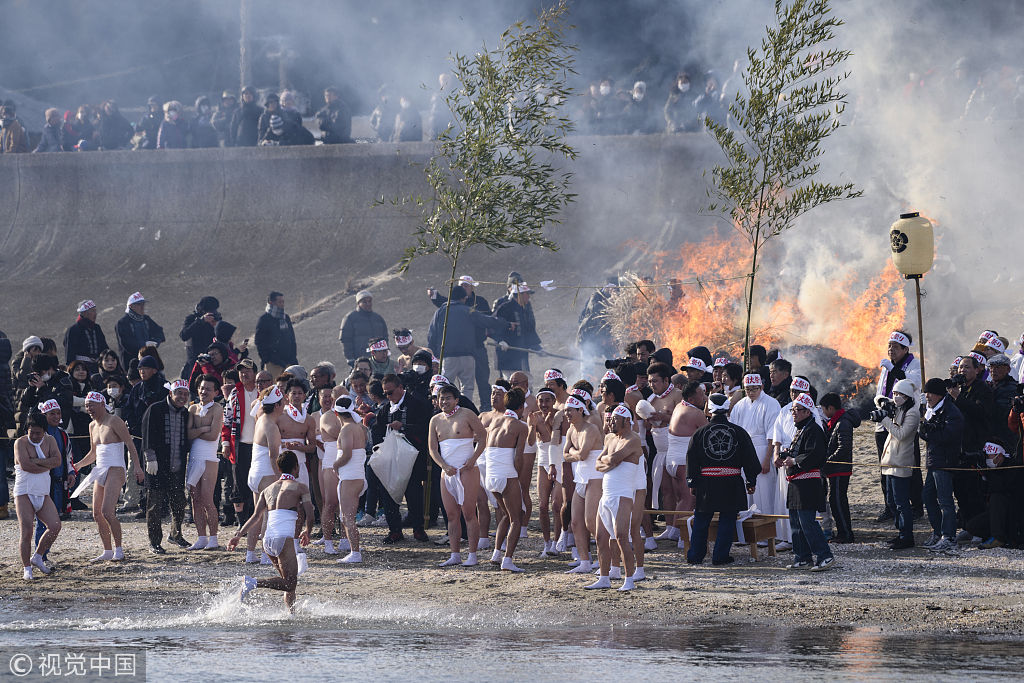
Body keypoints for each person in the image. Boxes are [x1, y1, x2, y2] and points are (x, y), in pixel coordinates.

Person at [230, 450, 313, 610]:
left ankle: (292, 615)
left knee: (286, 580)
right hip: (283, 539)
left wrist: (238, 535)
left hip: (267, 540)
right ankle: (252, 582)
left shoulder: (267, 490)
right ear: (296, 468)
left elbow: (255, 517)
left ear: (279, 469)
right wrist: (307, 532)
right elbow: (310, 515)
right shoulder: (300, 488)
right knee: (290, 583)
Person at [685, 393, 761, 566]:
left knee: (702, 519)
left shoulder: (699, 433)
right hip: (731, 481)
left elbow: (691, 459)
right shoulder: (739, 432)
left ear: (709, 410)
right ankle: (720, 556)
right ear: (728, 409)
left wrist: (692, 482)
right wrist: (751, 481)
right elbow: (750, 459)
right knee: (727, 519)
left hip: (706, 482)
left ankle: (695, 556)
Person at [71, 392, 144, 561]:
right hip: (100, 468)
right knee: (97, 513)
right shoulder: (92, 426)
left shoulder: (114, 421)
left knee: (107, 511)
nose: (89, 408)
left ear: (102, 404)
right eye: (87, 405)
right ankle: (107, 550)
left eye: (92, 405)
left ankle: (119, 548)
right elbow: (93, 452)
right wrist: (78, 465)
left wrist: (138, 467)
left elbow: (130, 444)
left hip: (116, 467)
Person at [428, 384, 488, 567]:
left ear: (456, 399)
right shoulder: (435, 420)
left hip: (467, 469)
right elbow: (432, 448)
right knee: (451, 514)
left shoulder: (467, 414)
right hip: (447, 471)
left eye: (447, 398)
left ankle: (472, 554)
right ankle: (455, 554)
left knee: (469, 513)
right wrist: (444, 466)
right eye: (441, 398)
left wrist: (473, 459)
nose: (444, 401)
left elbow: (483, 437)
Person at [369, 374, 432, 544]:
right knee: (389, 493)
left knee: (414, 494)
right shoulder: (384, 410)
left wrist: (404, 427)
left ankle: (418, 529)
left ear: (400, 388)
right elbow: (377, 430)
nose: (388, 397)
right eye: (385, 394)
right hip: (391, 459)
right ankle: (395, 530)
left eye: (390, 393)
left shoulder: (416, 404)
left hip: (412, 459)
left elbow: (426, 428)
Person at [775, 393, 834, 571]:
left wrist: (795, 460)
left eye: (798, 410)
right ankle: (802, 557)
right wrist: (787, 455)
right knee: (795, 521)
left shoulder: (814, 429)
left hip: (807, 482)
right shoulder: (801, 429)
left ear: (808, 412)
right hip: (796, 482)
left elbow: (816, 454)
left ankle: (825, 555)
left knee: (807, 521)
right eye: (793, 409)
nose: (794, 413)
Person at [589, 404, 642, 591]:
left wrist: (609, 461)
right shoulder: (610, 438)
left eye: (615, 419)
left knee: (621, 537)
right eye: (610, 419)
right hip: (607, 494)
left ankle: (629, 579)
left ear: (627, 421)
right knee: (601, 537)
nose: (611, 422)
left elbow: (612, 459)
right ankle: (604, 578)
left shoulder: (633, 439)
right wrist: (610, 462)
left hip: (622, 494)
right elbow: (598, 463)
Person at [427, 285, 507, 404]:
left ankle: (444, 409)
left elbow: (431, 335)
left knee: (444, 386)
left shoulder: (441, 311)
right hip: (468, 357)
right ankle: (465, 410)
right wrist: (505, 323)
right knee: (467, 387)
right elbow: (485, 320)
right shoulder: (468, 310)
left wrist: (435, 355)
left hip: (448, 357)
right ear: (463, 298)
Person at [874, 330, 922, 521]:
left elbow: (911, 383)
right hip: (885, 423)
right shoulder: (886, 368)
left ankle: (916, 505)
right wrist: (881, 403)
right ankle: (889, 505)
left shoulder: (914, 364)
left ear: (905, 349)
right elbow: (879, 392)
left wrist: (893, 370)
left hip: (906, 423)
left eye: (895, 347)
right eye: (889, 346)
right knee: (885, 466)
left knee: (911, 465)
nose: (890, 350)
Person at [141, 379, 192, 553]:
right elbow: (147, 434)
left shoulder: (186, 414)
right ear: (171, 393)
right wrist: (150, 458)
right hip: (156, 466)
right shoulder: (155, 409)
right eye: (179, 393)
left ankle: (176, 534)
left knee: (179, 503)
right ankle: (154, 541)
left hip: (177, 467)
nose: (182, 397)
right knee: (154, 506)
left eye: (185, 394)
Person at [481, 387, 528, 572]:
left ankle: (496, 554)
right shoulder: (520, 426)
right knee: (517, 518)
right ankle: (507, 560)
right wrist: (515, 476)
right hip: (506, 473)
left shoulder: (493, 422)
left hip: (490, 475)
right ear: (521, 407)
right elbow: (519, 457)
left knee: (506, 514)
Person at [13, 411, 64, 580]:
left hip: (42, 490)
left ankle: (38, 556)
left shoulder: (50, 440)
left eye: (38, 433)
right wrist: (45, 464)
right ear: (26, 430)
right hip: (24, 491)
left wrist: (37, 461)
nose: (34, 436)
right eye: (31, 432)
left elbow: (57, 461)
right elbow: (26, 466)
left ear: (44, 431)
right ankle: (26, 567)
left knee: (55, 525)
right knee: (27, 530)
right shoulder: (20, 443)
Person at [873, 379, 920, 550]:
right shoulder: (897, 407)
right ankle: (900, 531)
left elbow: (901, 434)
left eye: (900, 394)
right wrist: (884, 402)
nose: (896, 397)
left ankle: (906, 536)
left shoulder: (912, 413)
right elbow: (877, 399)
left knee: (901, 502)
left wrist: (884, 419)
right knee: (892, 501)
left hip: (901, 461)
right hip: (890, 460)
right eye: (894, 393)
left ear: (908, 396)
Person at [918, 377, 965, 552]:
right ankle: (937, 531)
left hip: (945, 461)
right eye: (926, 392)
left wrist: (928, 433)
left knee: (945, 501)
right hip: (934, 460)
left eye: (930, 392)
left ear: (938, 394)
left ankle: (949, 536)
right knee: (928, 496)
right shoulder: (932, 410)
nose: (927, 396)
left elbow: (948, 436)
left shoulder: (951, 412)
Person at [948, 353, 992, 534]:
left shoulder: (983, 388)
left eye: (967, 367)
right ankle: (966, 524)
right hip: (958, 445)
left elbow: (980, 412)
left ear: (977, 369)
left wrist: (959, 398)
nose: (963, 370)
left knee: (974, 490)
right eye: (960, 367)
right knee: (960, 489)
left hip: (975, 445)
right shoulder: (958, 389)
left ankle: (979, 529)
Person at [563, 395, 603, 574]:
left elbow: (584, 455)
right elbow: (565, 454)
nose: (567, 414)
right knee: (576, 522)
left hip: (595, 477)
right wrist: (574, 452)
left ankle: (606, 560)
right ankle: (585, 561)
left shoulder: (591, 429)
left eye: (570, 410)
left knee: (592, 523)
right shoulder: (571, 430)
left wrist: (573, 452)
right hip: (580, 477)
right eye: (565, 410)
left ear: (580, 410)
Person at [730, 373, 781, 514]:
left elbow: (772, 434)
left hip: (763, 450)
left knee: (764, 490)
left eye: (754, 389)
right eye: (748, 389)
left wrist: (766, 459)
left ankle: (767, 529)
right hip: (743, 452)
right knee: (746, 491)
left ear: (762, 387)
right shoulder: (740, 405)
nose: (751, 392)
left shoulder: (771, 403)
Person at [186, 375, 224, 550]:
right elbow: (189, 434)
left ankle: (214, 537)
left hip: (209, 457)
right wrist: (203, 428)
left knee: (208, 498)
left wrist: (197, 430)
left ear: (216, 392)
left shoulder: (217, 408)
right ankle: (201, 537)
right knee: (195, 499)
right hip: (194, 456)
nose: (204, 391)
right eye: (202, 388)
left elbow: (213, 435)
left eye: (208, 389)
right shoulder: (193, 408)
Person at [666, 380, 707, 533]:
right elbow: (709, 432)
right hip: (683, 461)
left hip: (672, 460)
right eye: (701, 394)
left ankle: (675, 532)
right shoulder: (695, 413)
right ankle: (681, 535)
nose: (704, 397)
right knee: (689, 499)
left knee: (681, 499)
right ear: (691, 399)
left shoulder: (679, 406)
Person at [820, 392, 860, 544]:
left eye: (824, 409)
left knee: (838, 500)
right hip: (836, 468)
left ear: (831, 408)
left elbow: (843, 448)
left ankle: (846, 534)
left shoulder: (843, 423)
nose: (823, 412)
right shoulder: (837, 421)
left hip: (840, 468)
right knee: (836, 500)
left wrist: (828, 461)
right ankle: (843, 532)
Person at [646, 362, 681, 532]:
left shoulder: (677, 395)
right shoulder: (650, 400)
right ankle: (669, 528)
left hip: (677, 449)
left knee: (679, 490)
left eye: (655, 381)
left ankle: (680, 528)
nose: (652, 384)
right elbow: (645, 427)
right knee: (666, 490)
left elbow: (685, 419)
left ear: (666, 380)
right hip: (660, 450)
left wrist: (664, 417)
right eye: (650, 381)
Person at [332, 396, 368, 563]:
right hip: (356, 475)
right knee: (348, 517)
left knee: (347, 517)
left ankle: (355, 552)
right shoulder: (358, 427)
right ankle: (355, 550)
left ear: (336, 413)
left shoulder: (347, 429)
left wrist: (335, 465)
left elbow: (347, 454)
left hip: (350, 477)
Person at [532, 387, 566, 556]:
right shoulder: (535, 416)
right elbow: (530, 440)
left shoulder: (559, 415)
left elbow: (556, 439)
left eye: (547, 400)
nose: (544, 404)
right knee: (543, 505)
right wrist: (533, 426)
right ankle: (546, 543)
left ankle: (557, 541)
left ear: (553, 401)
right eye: (541, 400)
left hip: (558, 462)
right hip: (542, 462)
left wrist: (544, 424)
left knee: (557, 505)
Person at [494, 280, 541, 375]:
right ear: (519, 294)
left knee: (526, 381)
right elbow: (492, 326)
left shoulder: (524, 309)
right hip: (507, 355)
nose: (529, 296)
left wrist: (538, 348)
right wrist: (500, 340)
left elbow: (529, 331)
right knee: (512, 383)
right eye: (526, 294)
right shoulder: (504, 308)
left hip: (521, 353)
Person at [115, 292, 165, 372]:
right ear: (131, 306)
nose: (142, 307)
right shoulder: (122, 323)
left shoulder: (146, 319)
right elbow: (126, 344)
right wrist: (145, 346)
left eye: (143, 304)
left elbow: (159, 332)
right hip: (132, 365)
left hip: (149, 362)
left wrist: (155, 342)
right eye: (139, 305)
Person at [339, 291, 388, 368]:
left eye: (369, 301)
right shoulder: (350, 318)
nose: (368, 304)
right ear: (358, 303)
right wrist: (350, 358)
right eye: (364, 302)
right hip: (360, 360)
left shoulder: (378, 318)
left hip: (379, 361)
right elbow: (345, 339)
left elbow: (385, 337)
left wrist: (385, 353)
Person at [255, 291, 298, 376]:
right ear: (271, 302)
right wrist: (267, 359)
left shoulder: (285, 318)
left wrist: (293, 358)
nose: (282, 304)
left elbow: (292, 339)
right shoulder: (264, 319)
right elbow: (259, 342)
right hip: (273, 364)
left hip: (289, 362)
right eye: (280, 302)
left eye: (283, 301)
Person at [179, 296, 221, 379]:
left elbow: (222, 337)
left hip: (212, 360)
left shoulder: (215, 318)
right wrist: (201, 321)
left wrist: (216, 325)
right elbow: (184, 335)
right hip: (195, 360)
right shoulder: (192, 319)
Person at [63, 300, 108, 373]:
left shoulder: (97, 328)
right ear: (84, 313)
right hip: (82, 367)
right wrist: (71, 368)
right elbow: (69, 352)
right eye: (92, 311)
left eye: (95, 311)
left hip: (98, 366)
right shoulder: (73, 330)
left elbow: (104, 347)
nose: (95, 314)